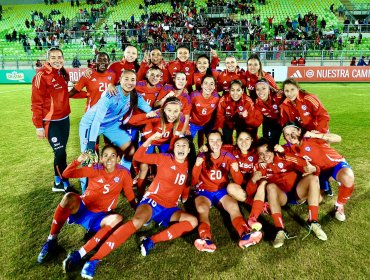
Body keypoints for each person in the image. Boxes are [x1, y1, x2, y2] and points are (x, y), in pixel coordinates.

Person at [76, 133, 198, 279]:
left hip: (170, 208)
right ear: (174, 148)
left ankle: (151, 240)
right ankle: (94, 259)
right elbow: (139, 157)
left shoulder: (188, 166)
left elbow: (186, 183)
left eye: (185, 145)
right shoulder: (165, 158)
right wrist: (150, 140)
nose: (181, 147)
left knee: (193, 221)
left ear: (189, 150)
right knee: (137, 222)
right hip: (152, 201)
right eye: (178, 145)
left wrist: (184, 196)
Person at [37, 145, 136, 264]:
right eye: (106, 156)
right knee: (68, 197)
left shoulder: (124, 173)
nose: (109, 159)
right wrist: (78, 160)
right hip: (83, 207)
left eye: (113, 156)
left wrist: (136, 206)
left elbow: (129, 193)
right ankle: (51, 240)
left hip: (101, 215)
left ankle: (79, 254)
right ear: (101, 158)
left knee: (117, 218)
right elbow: (66, 174)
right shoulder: (95, 168)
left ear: (118, 158)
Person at [78, 70, 152, 192]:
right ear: (120, 80)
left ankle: (118, 179)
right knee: (88, 157)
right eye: (126, 79)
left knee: (130, 150)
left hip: (110, 125)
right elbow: (97, 120)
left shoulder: (135, 96)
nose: (129, 82)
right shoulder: (111, 94)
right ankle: (85, 192)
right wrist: (91, 144)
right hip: (91, 124)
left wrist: (166, 111)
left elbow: (149, 110)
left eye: (132, 80)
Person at [192, 131, 262, 252]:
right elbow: (193, 181)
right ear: (207, 143)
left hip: (221, 191)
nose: (215, 143)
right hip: (204, 191)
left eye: (218, 140)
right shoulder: (202, 156)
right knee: (202, 210)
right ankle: (205, 239)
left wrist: (235, 170)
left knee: (233, 207)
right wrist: (197, 166)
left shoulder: (228, 156)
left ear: (222, 142)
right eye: (211, 140)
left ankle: (245, 234)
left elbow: (239, 181)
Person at [255, 138, 326, 248]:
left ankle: (313, 222)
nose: (265, 156)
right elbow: (254, 188)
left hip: (297, 192)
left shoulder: (286, 157)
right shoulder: (259, 167)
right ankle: (280, 230)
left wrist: (314, 169)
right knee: (270, 187)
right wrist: (255, 179)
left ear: (273, 150)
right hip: (281, 197)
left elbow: (311, 168)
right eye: (261, 154)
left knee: (313, 178)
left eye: (267, 151)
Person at [279, 121, 355, 222]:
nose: (291, 136)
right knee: (318, 199)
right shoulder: (287, 148)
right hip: (319, 172)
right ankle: (327, 184)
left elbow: (338, 138)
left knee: (348, 177)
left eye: (293, 131)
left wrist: (314, 134)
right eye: (287, 134)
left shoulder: (312, 137)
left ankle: (339, 206)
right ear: (284, 137)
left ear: (299, 131)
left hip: (335, 165)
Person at [128, 97, 188, 198]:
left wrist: (170, 154)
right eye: (169, 110)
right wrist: (146, 115)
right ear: (163, 109)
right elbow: (131, 121)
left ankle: (169, 188)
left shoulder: (180, 119)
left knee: (171, 163)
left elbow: (175, 138)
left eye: (176, 111)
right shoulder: (156, 115)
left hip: (164, 142)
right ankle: (141, 194)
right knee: (144, 167)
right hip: (149, 140)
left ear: (179, 111)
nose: (172, 114)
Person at [31, 47, 72, 192]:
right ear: (48, 59)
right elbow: (36, 103)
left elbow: (66, 94)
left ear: (63, 58)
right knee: (60, 152)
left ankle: (57, 182)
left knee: (61, 152)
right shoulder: (41, 76)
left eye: (59, 57)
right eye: (53, 57)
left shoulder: (62, 73)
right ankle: (64, 183)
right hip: (50, 123)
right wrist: (38, 126)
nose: (57, 60)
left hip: (64, 120)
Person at [214, 80, 262, 144]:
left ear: (242, 91)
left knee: (244, 141)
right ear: (229, 91)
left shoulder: (248, 101)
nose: (235, 93)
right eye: (232, 90)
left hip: (243, 123)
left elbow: (254, 122)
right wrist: (219, 127)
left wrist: (247, 117)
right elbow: (220, 116)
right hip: (228, 122)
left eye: (238, 90)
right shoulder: (223, 100)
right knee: (225, 139)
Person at [189, 75, 220, 147]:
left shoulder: (216, 97)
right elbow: (187, 110)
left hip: (207, 124)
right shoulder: (194, 95)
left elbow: (218, 113)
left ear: (214, 86)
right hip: (193, 123)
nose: (208, 86)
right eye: (206, 83)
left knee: (213, 142)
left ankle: (205, 155)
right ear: (202, 85)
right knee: (187, 141)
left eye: (211, 84)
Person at [254, 78, 284, 145]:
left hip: (280, 121)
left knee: (274, 142)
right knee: (266, 140)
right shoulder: (257, 103)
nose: (260, 92)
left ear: (269, 89)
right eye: (258, 89)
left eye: (264, 88)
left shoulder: (279, 97)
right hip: (267, 121)